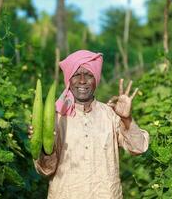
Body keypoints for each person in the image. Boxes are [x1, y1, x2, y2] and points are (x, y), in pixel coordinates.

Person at [28, 50, 149, 199]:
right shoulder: (55, 117)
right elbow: (45, 170)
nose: (83, 80)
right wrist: (43, 145)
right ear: (68, 80)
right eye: (76, 74)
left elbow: (139, 147)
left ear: (96, 79)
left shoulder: (110, 115)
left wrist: (127, 119)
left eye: (89, 74)